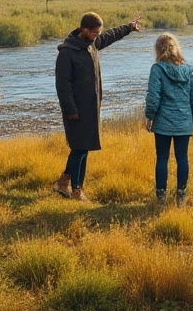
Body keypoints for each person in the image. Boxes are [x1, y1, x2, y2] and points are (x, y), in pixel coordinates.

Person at [54, 11, 142, 202]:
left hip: (90, 108)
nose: (97, 36)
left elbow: (109, 36)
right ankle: (77, 191)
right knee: (80, 148)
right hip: (75, 110)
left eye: (97, 33)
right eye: (94, 32)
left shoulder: (91, 44)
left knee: (82, 147)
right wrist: (70, 110)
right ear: (84, 29)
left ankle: (63, 182)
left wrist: (128, 27)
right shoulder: (67, 53)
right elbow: (63, 86)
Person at [144, 33, 193, 207]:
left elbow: (153, 96)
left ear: (158, 49)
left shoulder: (157, 69)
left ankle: (161, 197)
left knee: (162, 157)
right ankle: (181, 197)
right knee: (182, 157)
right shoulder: (188, 69)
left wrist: (150, 116)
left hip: (163, 121)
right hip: (183, 121)